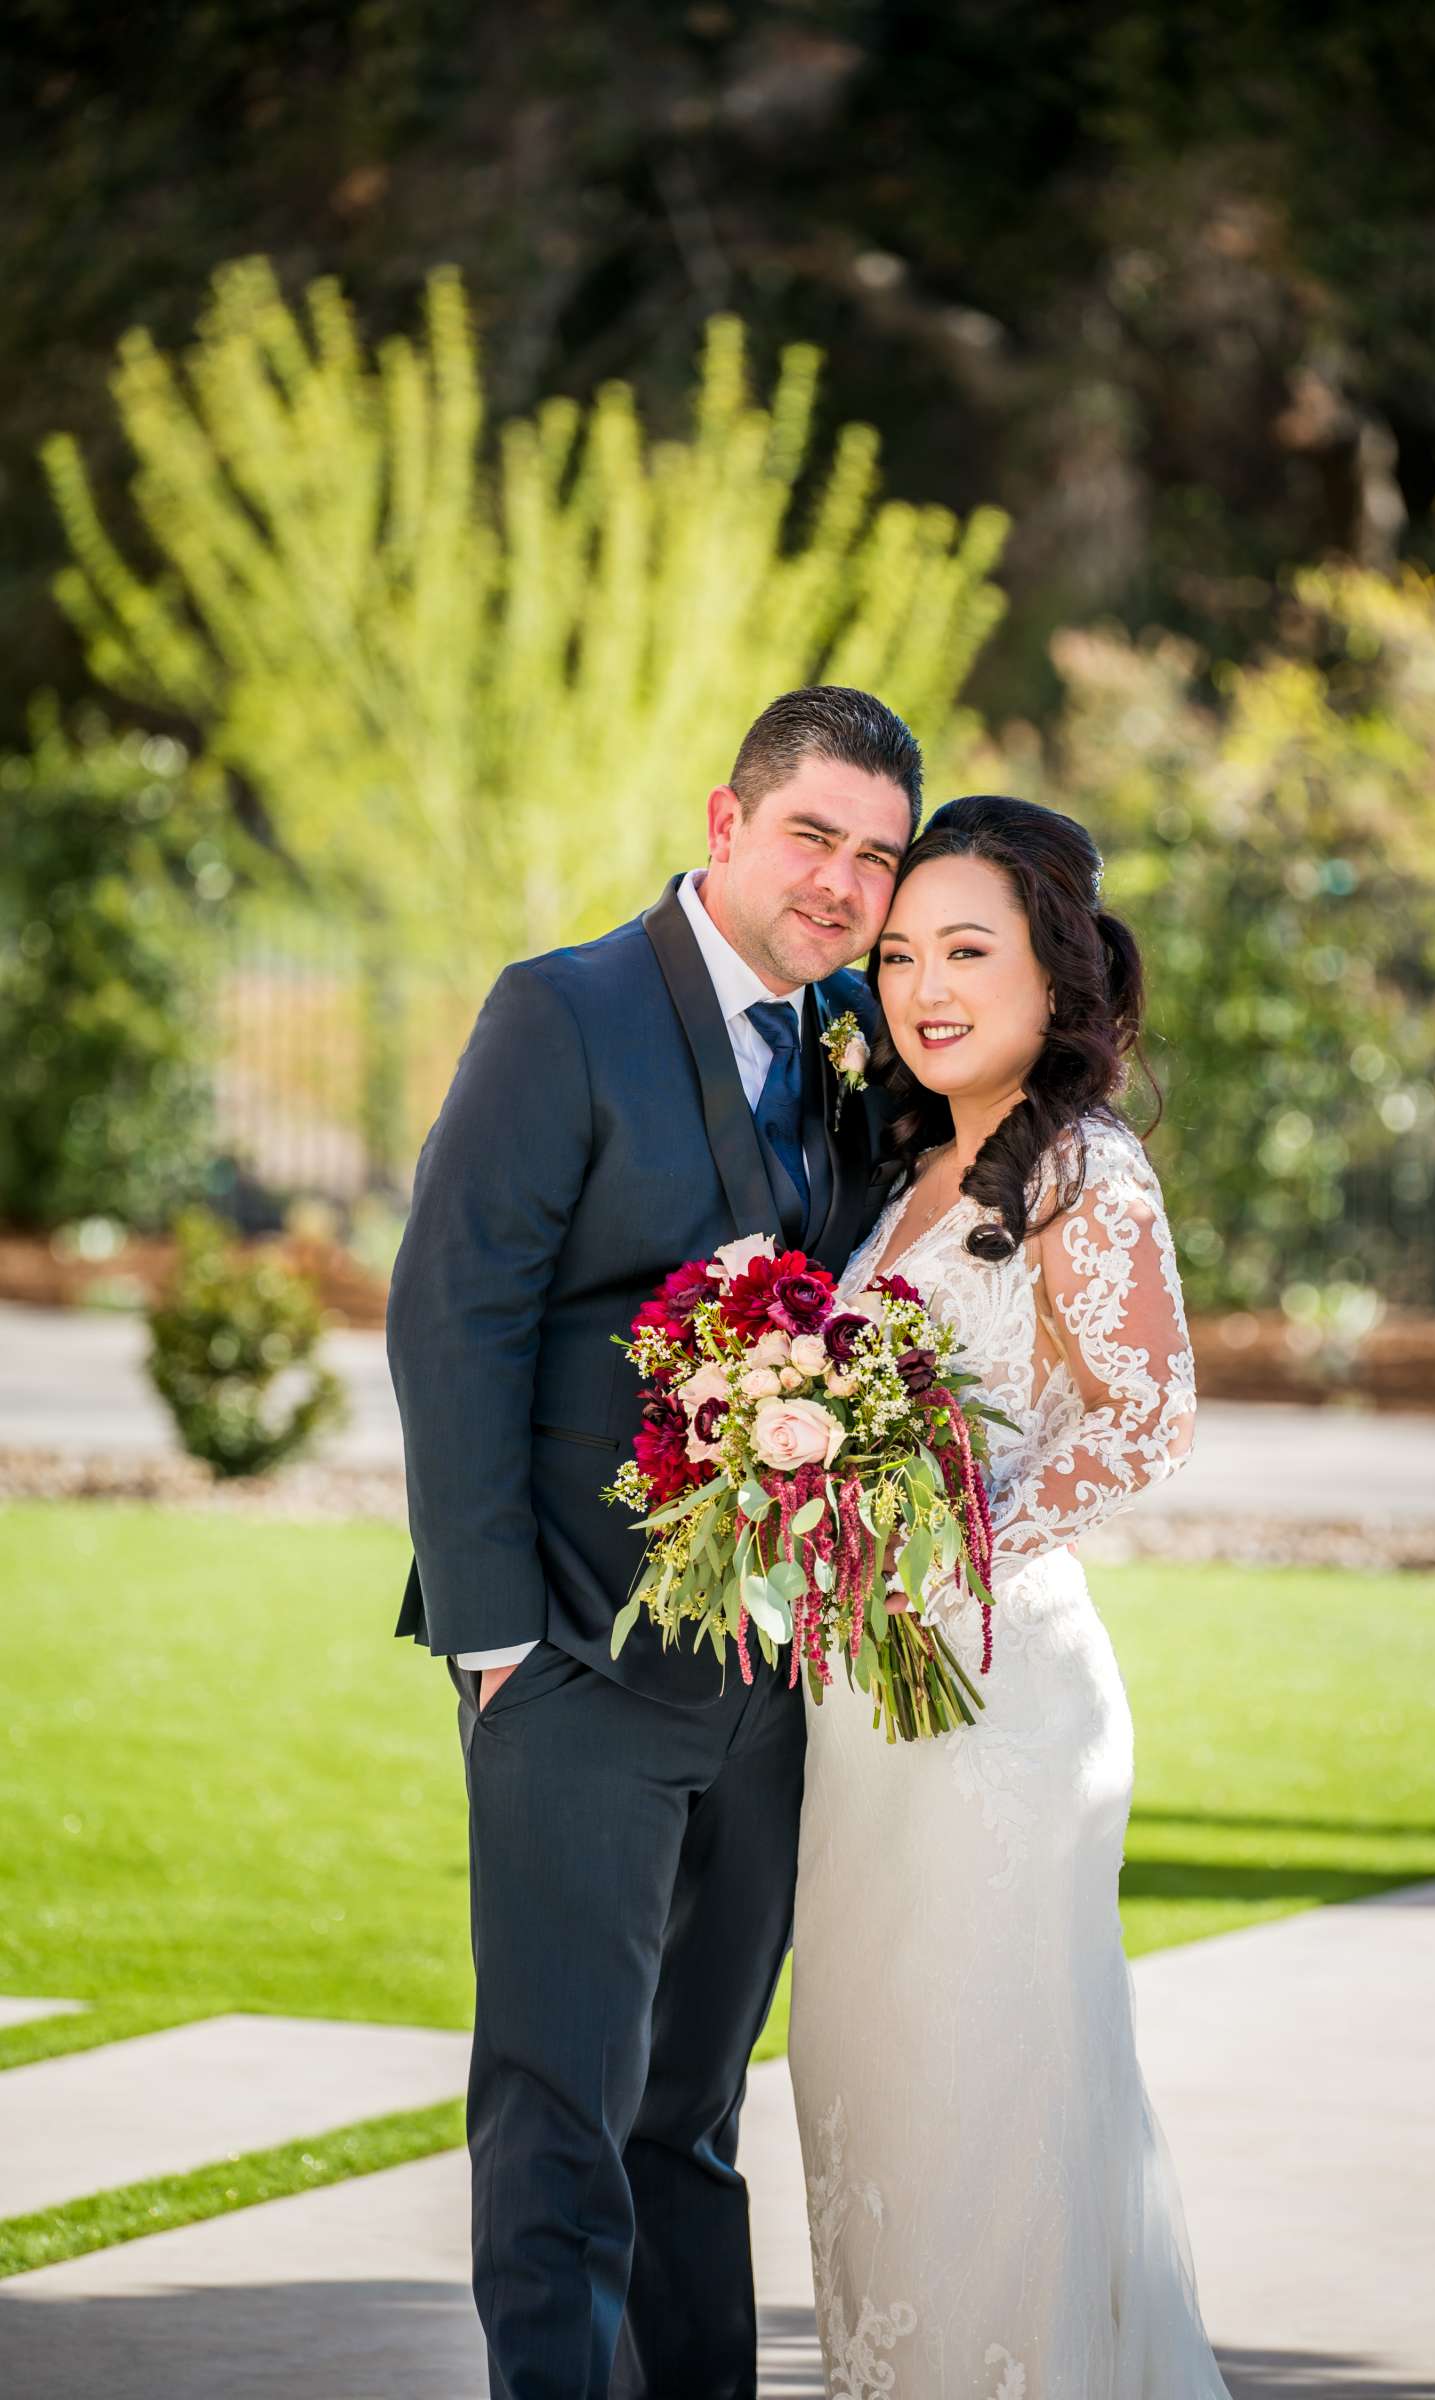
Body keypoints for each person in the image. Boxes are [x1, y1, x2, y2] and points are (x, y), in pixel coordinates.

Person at [386, 686, 918, 2400]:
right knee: (560, 2112)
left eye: (877, 858)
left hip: (768, 1687)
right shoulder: (567, 1012)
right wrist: (493, 1646)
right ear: (724, 826)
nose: (841, 883)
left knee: (691, 2124)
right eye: (812, 836)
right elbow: (451, 1315)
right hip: (572, 1663)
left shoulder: (855, 1039)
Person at [788, 794, 1231, 2397]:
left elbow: (1144, 1413)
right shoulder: (905, 1166)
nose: (923, 986)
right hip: (861, 1716)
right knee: (869, 2098)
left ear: (1058, 970)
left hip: (997, 1713)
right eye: (900, 955)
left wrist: (950, 1541)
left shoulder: (1082, 1168)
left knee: (985, 2108)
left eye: (966, 949)